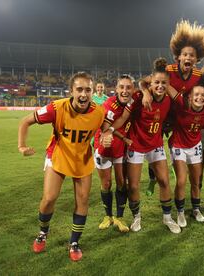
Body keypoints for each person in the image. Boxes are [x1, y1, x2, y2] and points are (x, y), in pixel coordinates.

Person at [18, 72, 105, 261]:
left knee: (82, 201)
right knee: (49, 198)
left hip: (82, 158)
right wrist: (22, 146)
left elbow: (106, 126)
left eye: (88, 90)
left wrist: (109, 133)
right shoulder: (57, 108)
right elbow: (26, 121)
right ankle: (43, 233)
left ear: (92, 92)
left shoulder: (99, 111)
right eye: (79, 89)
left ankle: (74, 242)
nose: (84, 94)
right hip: (58, 155)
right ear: (71, 91)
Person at [102, 58, 181, 234]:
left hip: (155, 145)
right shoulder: (138, 96)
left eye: (163, 83)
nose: (160, 86)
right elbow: (122, 118)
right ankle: (137, 217)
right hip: (136, 146)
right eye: (156, 83)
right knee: (134, 186)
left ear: (168, 84)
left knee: (164, 181)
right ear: (150, 82)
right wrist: (109, 130)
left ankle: (167, 217)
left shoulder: (169, 99)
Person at [143, 19, 204, 196]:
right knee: (154, 149)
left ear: (197, 58)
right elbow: (145, 82)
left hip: (181, 119)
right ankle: (152, 177)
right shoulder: (168, 70)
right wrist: (145, 92)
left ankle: (191, 183)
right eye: (185, 54)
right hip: (162, 115)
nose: (188, 57)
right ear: (178, 56)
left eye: (192, 55)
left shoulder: (199, 76)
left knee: (179, 152)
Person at [166, 84, 204, 227]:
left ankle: (195, 209)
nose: (200, 97)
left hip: (195, 146)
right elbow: (168, 87)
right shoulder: (182, 105)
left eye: (203, 95)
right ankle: (180, 212)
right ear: (190, 97)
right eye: (197, 95)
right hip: (178, 145)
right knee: (181, 180)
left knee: (196, 180)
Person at [93, 75, 135, 233]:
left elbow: (124, 119)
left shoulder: (133, 103)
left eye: (128, 87)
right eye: (121, 87)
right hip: (104, 145)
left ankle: (120, 217)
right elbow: (105, 126)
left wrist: (123, 138)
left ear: (133, 89)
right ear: (116, 89)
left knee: (121, 182)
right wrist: (107, 136)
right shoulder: (110, 103)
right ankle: (108, 216)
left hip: (120, 147)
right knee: (106, 183)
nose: (125, 91)